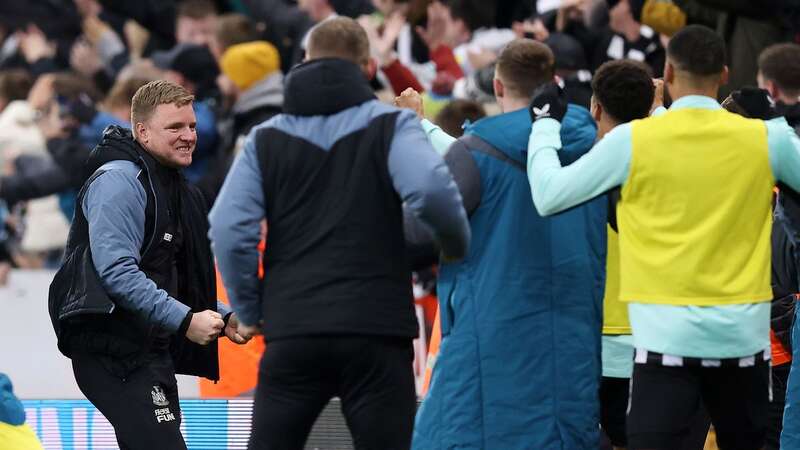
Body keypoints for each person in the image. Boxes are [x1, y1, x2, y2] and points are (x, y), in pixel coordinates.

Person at [526, 24, 800, 450]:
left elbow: (549, 196)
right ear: (724, 73)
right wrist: (782, 122)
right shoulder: (766, 138)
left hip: (664, 344)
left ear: (667, 72)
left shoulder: (633, 141)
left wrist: (543, 126)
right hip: (743, 342)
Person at [209, 17, 470, 450]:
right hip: (376, 330)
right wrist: (457, 246)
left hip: (294, 329)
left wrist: (251, 309)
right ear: (368, 67)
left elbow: (227, 228)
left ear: (306, 61)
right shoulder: (394, 128)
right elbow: (434, 195)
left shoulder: (265, 138)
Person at [403, 39, 606, 450]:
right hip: (575, 347)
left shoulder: (475, 154)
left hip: (489, 350)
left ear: (497, 87)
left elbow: (415, 237)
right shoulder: (597, 149)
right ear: (553, 84)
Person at [48, 80, 250, 450]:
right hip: (111, 350)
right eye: (174, 127)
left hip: (148, 348)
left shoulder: (173, 185)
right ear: (142, 131)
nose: (189, 136)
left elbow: (168, 277)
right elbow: (118, 273)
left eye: (191, 126)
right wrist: (187, 320)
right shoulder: (119, 182)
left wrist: (222, 316)